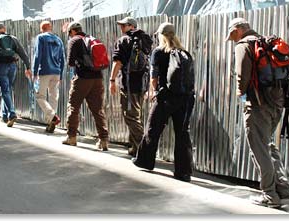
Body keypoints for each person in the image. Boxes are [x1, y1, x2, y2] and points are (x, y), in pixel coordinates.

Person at [226, 17, 289, 208]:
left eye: (232, 34)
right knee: (268, 144)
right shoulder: (267, 43)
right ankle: (282, 187)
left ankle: (269, 195)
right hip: (277, 102)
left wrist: (241, 95)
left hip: (257, 103)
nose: (232, 39)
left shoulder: (243, 45)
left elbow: (242, 75)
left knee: (259, 148)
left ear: (238, 30)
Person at [132, 22, 195, 182]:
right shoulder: (184, 52)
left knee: (153, 128)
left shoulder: (158, 52)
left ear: (161, 35)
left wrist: (154, 92)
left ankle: (145, 161)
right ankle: (184, 172)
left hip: (166, 97)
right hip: (185, 98)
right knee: (182, 133)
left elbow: (154, 77)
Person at [62, 21, 109, 151]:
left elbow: (70, 62)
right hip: (97, 78)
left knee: (73, 107)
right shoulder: (92, 39)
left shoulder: (74, 41)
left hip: (82, 78)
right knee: (97, 109)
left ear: (72, 31)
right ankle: (103, 140)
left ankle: (71, 137)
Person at [110, 16, 153, 156]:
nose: (122, 28)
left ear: (131, 26)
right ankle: (135, 148)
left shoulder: (124, 41)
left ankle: (145, 150)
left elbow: (118, 63)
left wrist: (112, 80)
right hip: (142, 84)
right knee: (136, 115)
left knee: (130, 116)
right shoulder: (145, 39)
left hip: (129, 85)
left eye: (124, 25)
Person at [0, 22, 32, 127]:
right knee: (8, 89)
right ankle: (5, 115)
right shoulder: (13, 39)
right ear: (4, 29)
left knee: (5, 90)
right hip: (12, 66)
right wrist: (28, 67)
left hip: (1, 67)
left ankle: (11, 113)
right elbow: (23, 53)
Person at [32, 21, 65, 133]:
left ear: (42, 28)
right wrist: (61, 74)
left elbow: (37, 55)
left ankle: (53, 117)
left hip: (44, 70)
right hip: (56, 71)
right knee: (53, 97)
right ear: (50, 28)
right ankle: (51, 123)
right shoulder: (59, 40)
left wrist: (34, 71)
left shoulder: (40, 38)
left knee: (39, 96)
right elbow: (62, 58)